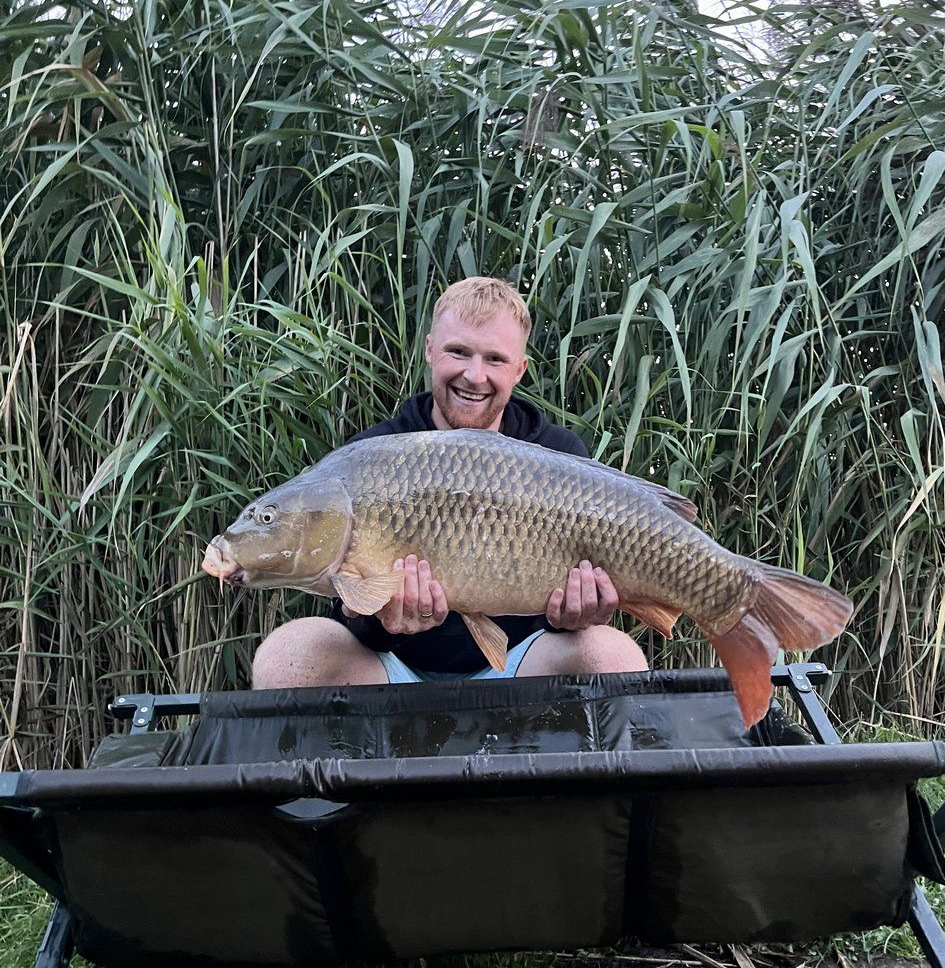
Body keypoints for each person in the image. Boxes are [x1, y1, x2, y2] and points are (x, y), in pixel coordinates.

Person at [251, 277, 648, 689]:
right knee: (285, 657)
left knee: (612, 655)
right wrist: (379, 622)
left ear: (519, 369)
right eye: (458, 352)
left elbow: (573, 617)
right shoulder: (371, 458)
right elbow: (348, 616)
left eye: (495, 359)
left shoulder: (557, 455)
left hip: (520, 673)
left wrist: (575, 616)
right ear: (429, 350)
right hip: (389, 675)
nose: (474, 376)